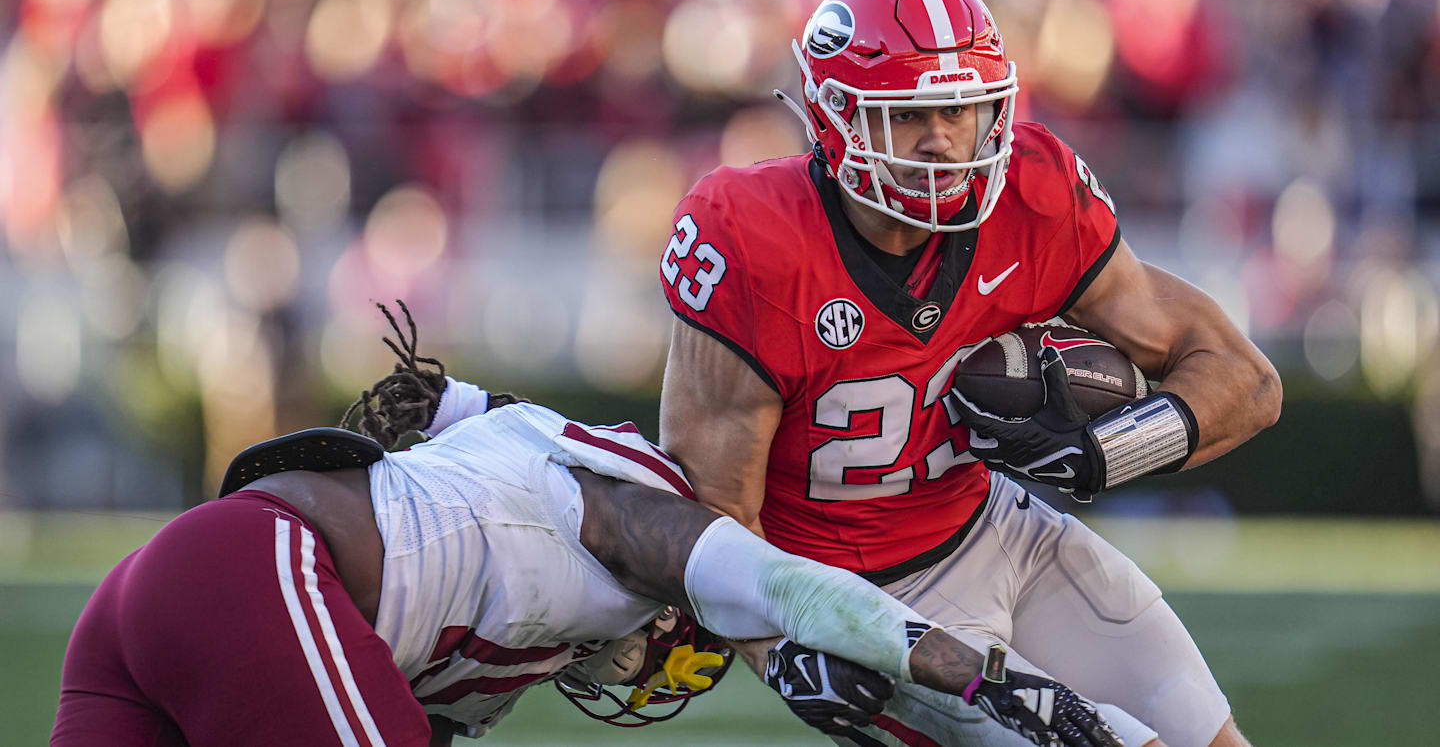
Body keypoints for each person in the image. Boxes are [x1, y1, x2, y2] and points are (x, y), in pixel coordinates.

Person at [658, 0, 1282, 747]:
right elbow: (710, 522)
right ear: (835, 115)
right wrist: (784, 647)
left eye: (963, 109)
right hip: (870, 605)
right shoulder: (751, 235)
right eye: (908, 117)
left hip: (998, 530)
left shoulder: (1034, 192)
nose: (945, 141)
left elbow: (1246, 379)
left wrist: (1104, 453)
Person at [52, 303, 1121, 747]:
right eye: (686, 653)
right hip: (258, 572)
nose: (655, 669)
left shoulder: (535, 508)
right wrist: (992, 680)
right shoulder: (634, 517)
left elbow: (466, 412)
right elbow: (809, 595)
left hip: (175, 592)